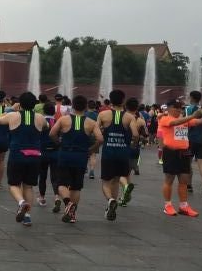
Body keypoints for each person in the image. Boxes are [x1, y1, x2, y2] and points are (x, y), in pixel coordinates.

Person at [50, 95, 103, 223]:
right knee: (76, 187)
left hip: (65, 154)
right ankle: (72, 215)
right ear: (86, 107)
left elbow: (52, 133)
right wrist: (91, 149)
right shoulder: (91, 122)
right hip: (81, 156)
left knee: (61, 184)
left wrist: (59, 143)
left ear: (72, 106)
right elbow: (100, 139)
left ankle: (68, 203)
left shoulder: (64, 120)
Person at [0, 92, 46, 227]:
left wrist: (11, 109)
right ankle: (27, 216)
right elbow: (46, 126)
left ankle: (21, 202)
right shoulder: (40, 118)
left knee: (13, 184)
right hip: (35, 155)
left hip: (17, 155)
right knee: (28, 186)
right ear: (34, 104)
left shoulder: (13, 115)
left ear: (20, 104)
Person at [157, 99, 202, 217]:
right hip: (170, 152)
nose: (179, 110)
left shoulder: (184, 119)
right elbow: (175, 123)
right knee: (169, 179)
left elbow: (198, 122)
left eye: (180, 107)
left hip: (184, 152)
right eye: (176, 107)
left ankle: (183, 206)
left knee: (184, 180)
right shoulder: (165, 118)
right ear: (169, 108)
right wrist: (193, 116)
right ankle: (168, 205)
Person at [96, 90, 139, 222]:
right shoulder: (129, 117)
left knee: (105, 182)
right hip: (122, 153)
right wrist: (132, 144)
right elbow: (136, 135)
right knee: (116, 180)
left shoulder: (103, 114)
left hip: (108, 153)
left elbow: (96, 132)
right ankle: (112, 205)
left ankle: (110, 200)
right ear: (123, 100)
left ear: (110, 100)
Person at [119, 98, 147, 207]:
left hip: (124, 147)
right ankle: (125, 198)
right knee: (128, 173)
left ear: (126, 106)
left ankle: (126, 189)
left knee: (119, 174)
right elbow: (145, 136)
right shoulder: (141, 121)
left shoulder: (123, 118)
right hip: (135, 149)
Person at [185, 91, 202, 198]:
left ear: (191, 98)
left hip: (190, 139)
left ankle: (189, 186)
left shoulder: (188, 109)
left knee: (188, 163)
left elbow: (186, 122)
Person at [37, 102, 60, 212]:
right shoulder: (58, 122)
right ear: (54, 111)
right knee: (55, 176)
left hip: (42, 152)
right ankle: (57, 197)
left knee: (42, 176)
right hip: (55, 152)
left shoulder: (41, 122)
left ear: (43, 111)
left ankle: (42, 198)